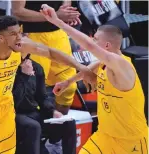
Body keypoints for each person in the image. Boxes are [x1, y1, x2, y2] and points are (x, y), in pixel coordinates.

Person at [0, 15, 95, 154]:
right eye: (13, 34)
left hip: (5, 107)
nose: (19, 38)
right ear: (1, 38)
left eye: (19, 32)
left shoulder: (21, 47)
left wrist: (82, 68)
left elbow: (50, 52)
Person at [41, 4, 148, 154]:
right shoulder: (104, 64)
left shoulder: (122, 65)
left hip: (130, 141)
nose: (93, 41)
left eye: (96, 39)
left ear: (107, 45)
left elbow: (89, 45)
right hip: (104, 137)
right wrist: (68, 81)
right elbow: (92, 66)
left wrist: (58, 22)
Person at [12, 1, 82, 114]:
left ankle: (60, 124)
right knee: (34, 90)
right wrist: (55, 16)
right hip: (32, 35)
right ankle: (39, 128)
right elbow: (18, 12)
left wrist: (66, 12)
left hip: (58, 33)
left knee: (68, 87)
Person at [13, 53, 76, 154]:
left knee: (68, 123)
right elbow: (14, 101)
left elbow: (42, 97)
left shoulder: (36, 67)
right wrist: (25, 76)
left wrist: (52, 111)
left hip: (33, 112)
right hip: (14, 114)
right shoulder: (8, 70)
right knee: (34, 127)